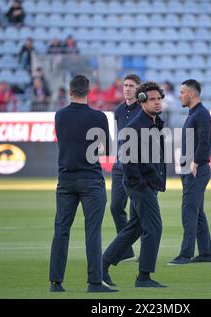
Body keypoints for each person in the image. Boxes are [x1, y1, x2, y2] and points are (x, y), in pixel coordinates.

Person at [49, 75, 116, 293]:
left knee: (61, 229)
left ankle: (56, 283)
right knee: (92, 231)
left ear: (70, 92)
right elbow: (106, 150)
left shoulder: (60, 116)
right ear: (89, 92)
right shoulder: (98, 117)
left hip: (66, 179)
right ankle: (94, 282)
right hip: (91, 179)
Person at [102, 81, 167, 288]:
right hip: (140, 186)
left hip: (148, 184)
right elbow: (127, 160)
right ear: (141, 102)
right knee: (154, 228)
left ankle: (101, 266)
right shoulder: (135, 126)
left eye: (159, 99)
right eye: (153, 99)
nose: (157, 102)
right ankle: (143, 277)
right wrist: (141, 184)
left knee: (134, 228)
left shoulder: (154, 122)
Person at [168, 79, 211, 265]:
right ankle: (205, 253)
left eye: (182, 92)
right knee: (198, 213)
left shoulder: (201, 114)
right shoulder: (194, 113)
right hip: (190, 169)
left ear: (192, 94)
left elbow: (204, 140)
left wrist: (196, 161)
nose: (180, 95)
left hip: (196, 169)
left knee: (189, 211)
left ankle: (185, 254)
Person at [110, 74, 142, 262]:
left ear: (138, 89)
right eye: (125, 85)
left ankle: (145, 251)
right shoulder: (119, 110)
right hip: (120, 165)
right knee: (115, 207)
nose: (127, 88)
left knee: (138, 211)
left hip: (137, 167)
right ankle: (126, 250)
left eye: (131, 85)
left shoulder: (144, 110)